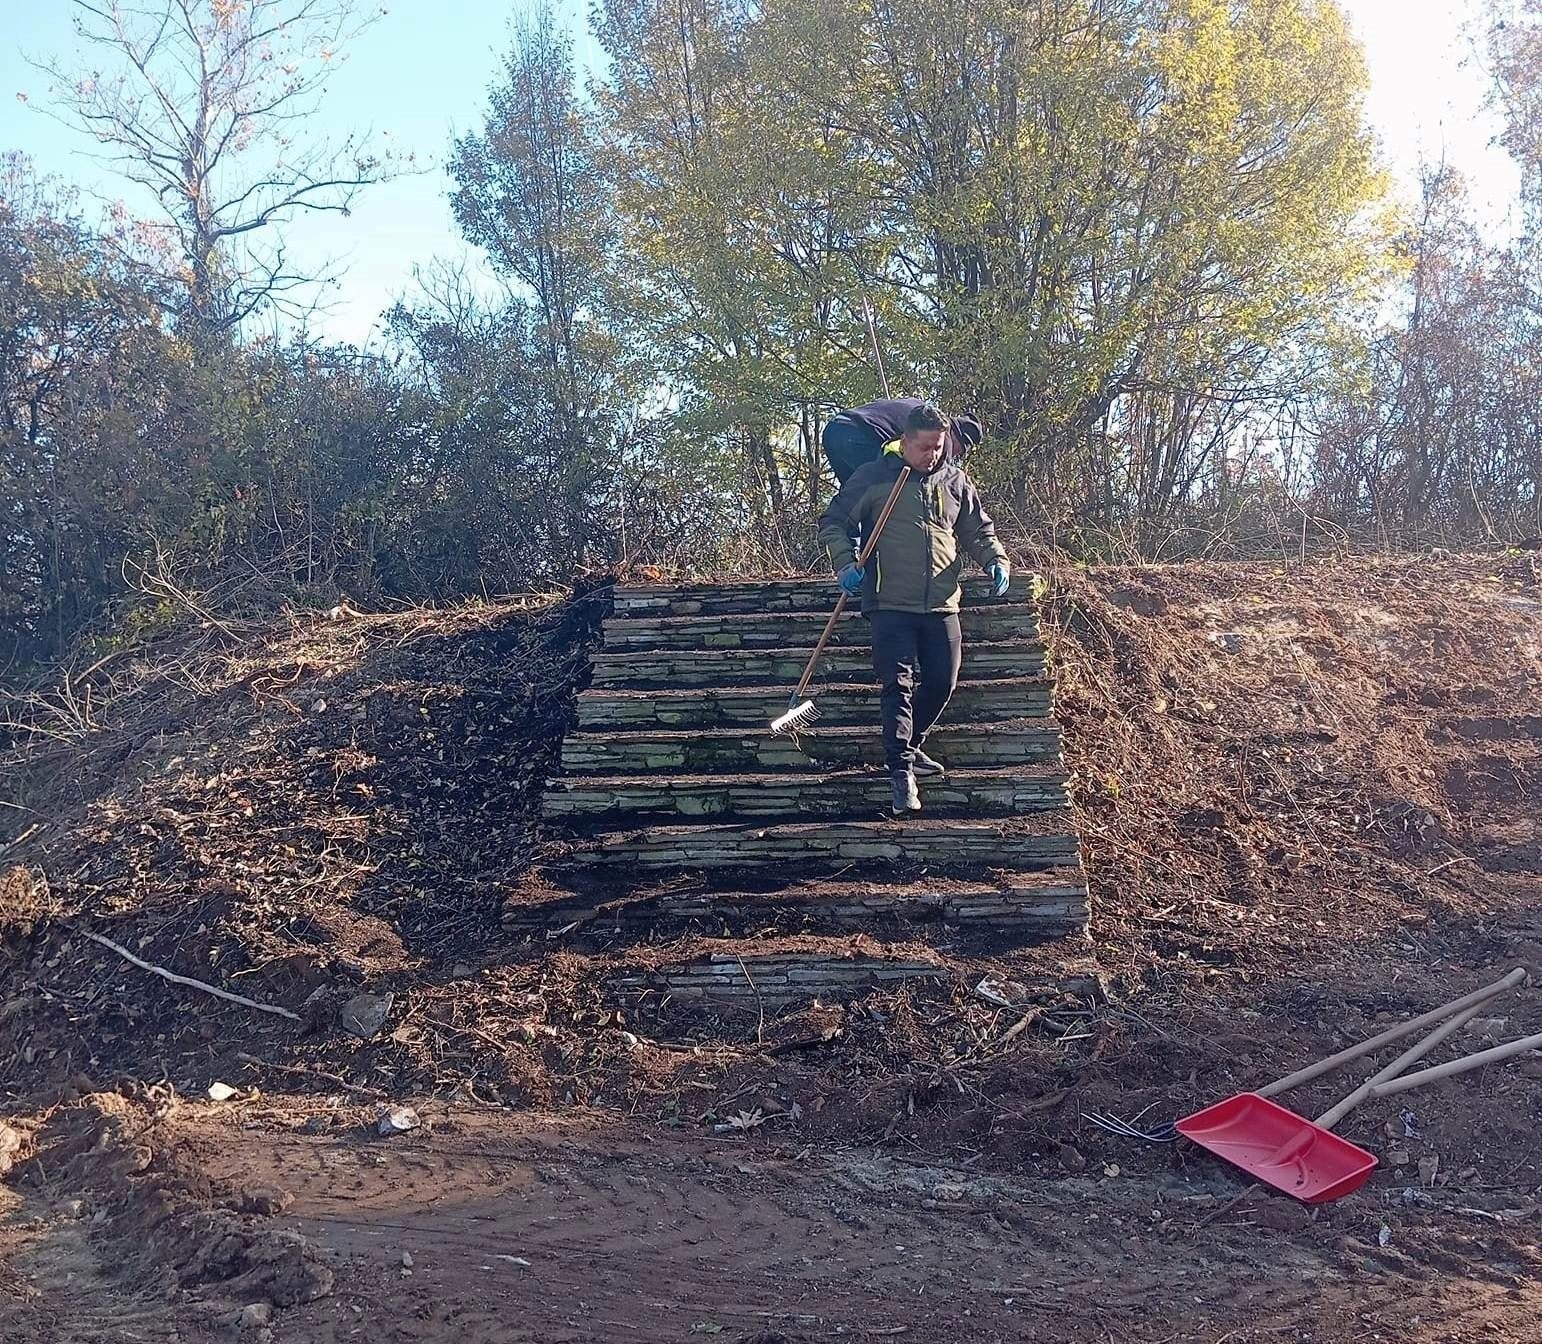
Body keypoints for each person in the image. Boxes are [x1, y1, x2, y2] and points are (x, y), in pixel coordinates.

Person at [817, 402, 1010, 814]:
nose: (933, 455)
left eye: (939, 447)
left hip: (942, 602)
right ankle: (900, 772)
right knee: (898, 688)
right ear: (904, 442)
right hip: (890, 602)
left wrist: (996, 559)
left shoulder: (955, 481)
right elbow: (834, 521)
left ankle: (912, 744)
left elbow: (977, 529)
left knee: (943, 682)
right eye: (925, 447)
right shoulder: (873, 477)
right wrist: (846, 563)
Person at [821, 397, 984, 486]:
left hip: (835, 428)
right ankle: (871, 548)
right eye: (959, 451)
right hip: (860, 436)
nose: (952, 455)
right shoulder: (941, 433)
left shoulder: (919, 406)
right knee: (881, 495)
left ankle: (850, 547)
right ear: (957, 437)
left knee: (854, 498)